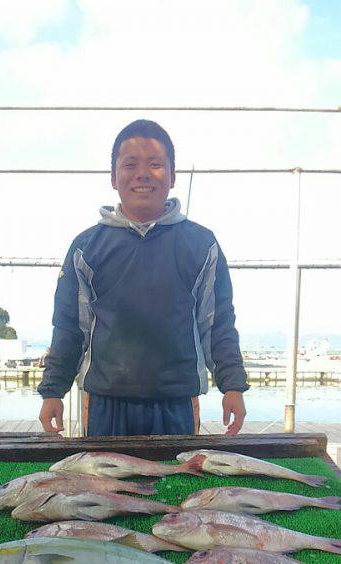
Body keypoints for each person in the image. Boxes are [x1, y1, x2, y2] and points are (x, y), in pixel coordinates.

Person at [38, 119, 248, 436]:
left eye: (155, 164)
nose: (143, 174)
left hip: (176, 402)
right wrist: (53, 390)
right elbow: (69, 325)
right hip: (104, 403)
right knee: (101, 486)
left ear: (172, 176)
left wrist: (233, 385)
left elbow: (216, 322)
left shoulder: (202, 244)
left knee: (179, 484)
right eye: (131, 164)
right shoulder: (86, 247)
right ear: (113, 177)